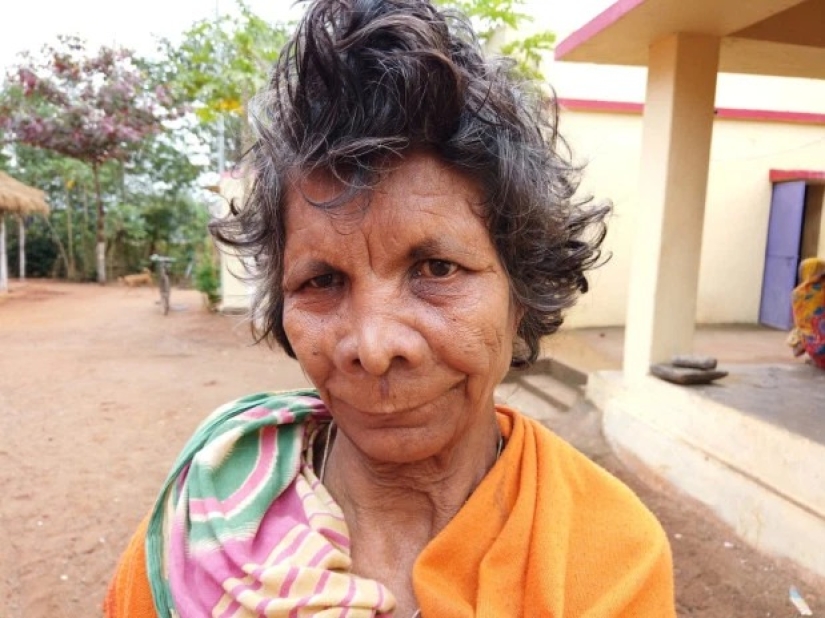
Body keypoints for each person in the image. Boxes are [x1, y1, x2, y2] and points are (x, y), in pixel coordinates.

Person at [105, 0, 676, 615]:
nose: (374, 348)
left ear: (521, 292)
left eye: (437, 269)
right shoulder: (200, 529)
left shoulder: (610, 556)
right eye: (321, 280)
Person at [788, 257, 825, 369]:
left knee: (801, 331)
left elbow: (799, 322)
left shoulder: (798, 293)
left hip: (815, 345)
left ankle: (816, 358)